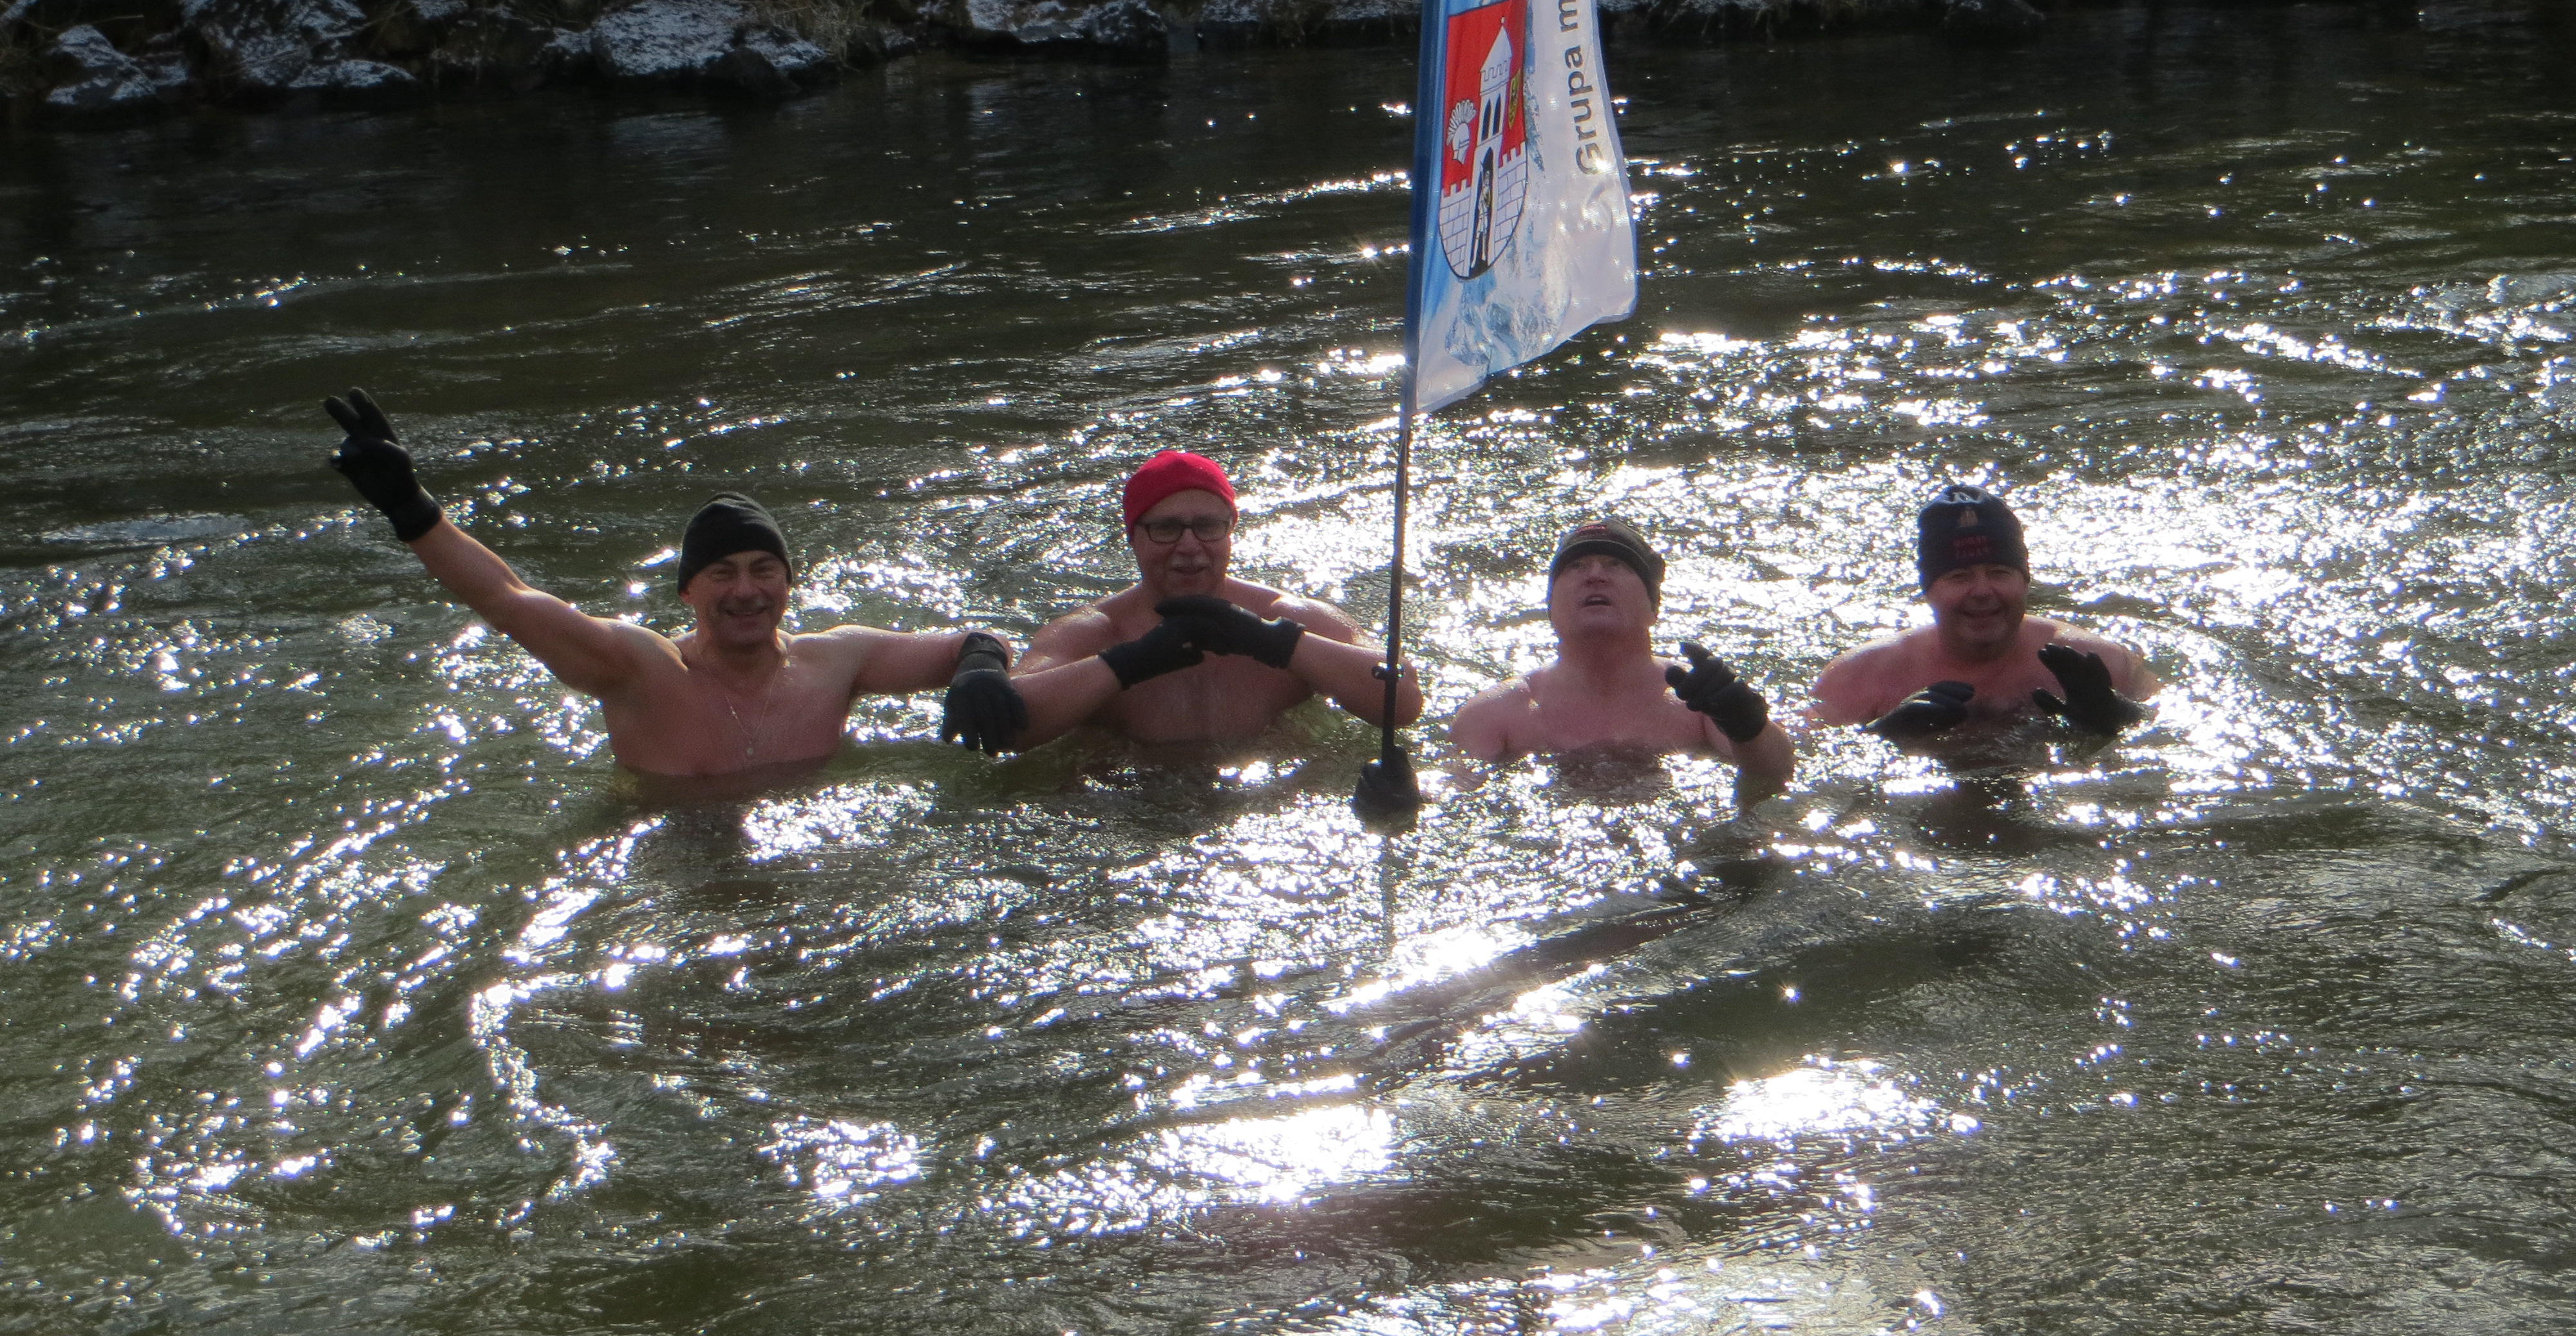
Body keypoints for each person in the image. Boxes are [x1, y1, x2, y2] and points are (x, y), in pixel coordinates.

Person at [321, 388, 1023, 779]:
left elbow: (974, 640)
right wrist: (412, 511)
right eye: (722, 574)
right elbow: (506, 599)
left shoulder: (837, 660)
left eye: (763, 571)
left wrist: (981, 666)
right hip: (671, 867)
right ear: (687, 593)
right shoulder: (640, 671)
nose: (746, 591)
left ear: (788, 583)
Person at [1006, 449, 1421, 746]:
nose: (1190, 547)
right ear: (1134, 537)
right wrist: (1129, 663)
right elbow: (1006, 724)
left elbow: (1403, 703)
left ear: (1230, 531)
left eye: (1208, 526)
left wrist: (1275, 643)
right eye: (1166, 528)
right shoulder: (1095, 632)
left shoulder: (1286, 615)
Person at [1448, 515, 1795, 796]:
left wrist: (1746, 726)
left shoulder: (1702, 705)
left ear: (1653, 607)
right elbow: (1453, 798)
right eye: (1576, 567)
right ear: (1550, 609)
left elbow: (1778, 775)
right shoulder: (1496, 716)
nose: (1595, 576)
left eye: (1616, 564)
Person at [1807, 484, 2155, 740]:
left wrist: (2116, 716)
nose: (1983, 591)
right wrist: (1881, 736)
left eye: (1999, 573)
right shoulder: (1859, 678)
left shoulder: (2102, 663)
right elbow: (1805, 763)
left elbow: (2165, 729)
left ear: (2025, 582)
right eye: (1959, 577)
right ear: (1929, 591)